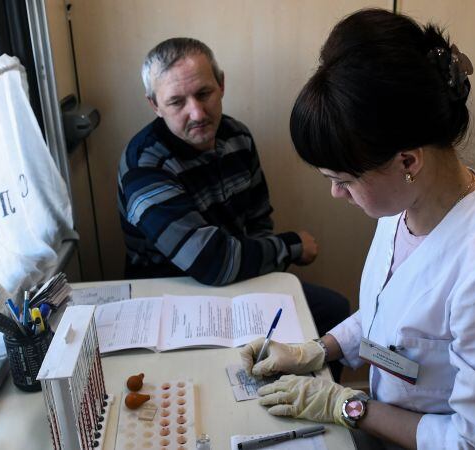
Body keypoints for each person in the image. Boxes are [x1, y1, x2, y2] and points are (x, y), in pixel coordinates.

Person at [240, 9, 475, 449]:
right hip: (393, 426)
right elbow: (391, 321)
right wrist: (319, 350)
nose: (337, 195)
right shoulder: (407, 203)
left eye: (343, 181)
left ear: (407, 161)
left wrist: (347, 405)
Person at [117, 38, 349, 346]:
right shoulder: (143, 166)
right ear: (154, 105)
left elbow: (259, 221)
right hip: (170, 297)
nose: (197, 113)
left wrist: (259, 271)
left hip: (239, 281)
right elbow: (210, 261)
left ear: (221, 84)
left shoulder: (238, 135)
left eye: (204, 93)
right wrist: (292, 246)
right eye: (177, 102)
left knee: (335, 312)